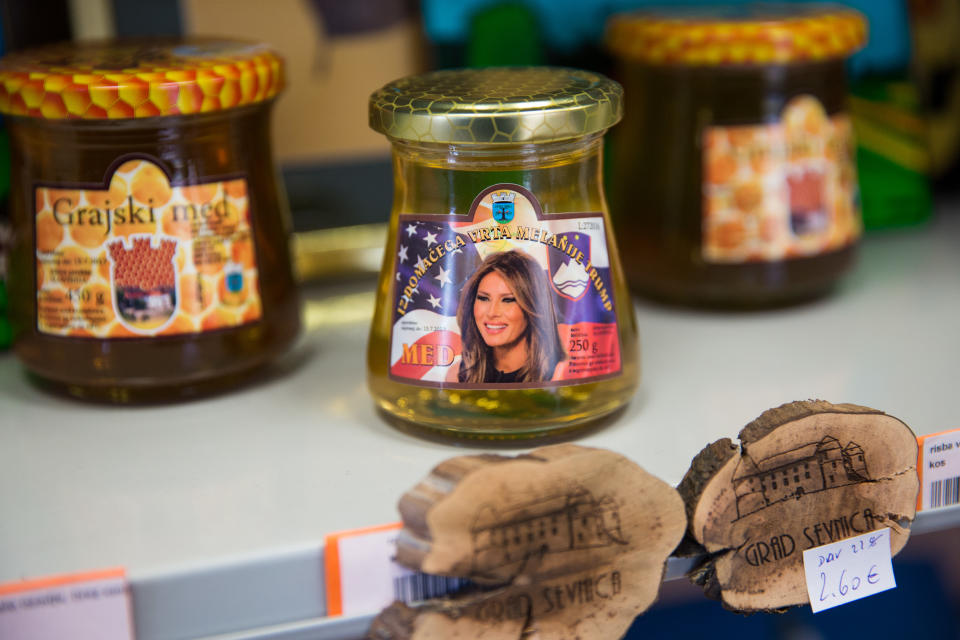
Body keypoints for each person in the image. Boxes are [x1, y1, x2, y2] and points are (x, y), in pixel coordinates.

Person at [456, 250, 566, 384]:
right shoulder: (459, 374)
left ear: (533, 306)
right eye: (483, 298)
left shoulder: (560, 374)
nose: (492, 312)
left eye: (508, 300)